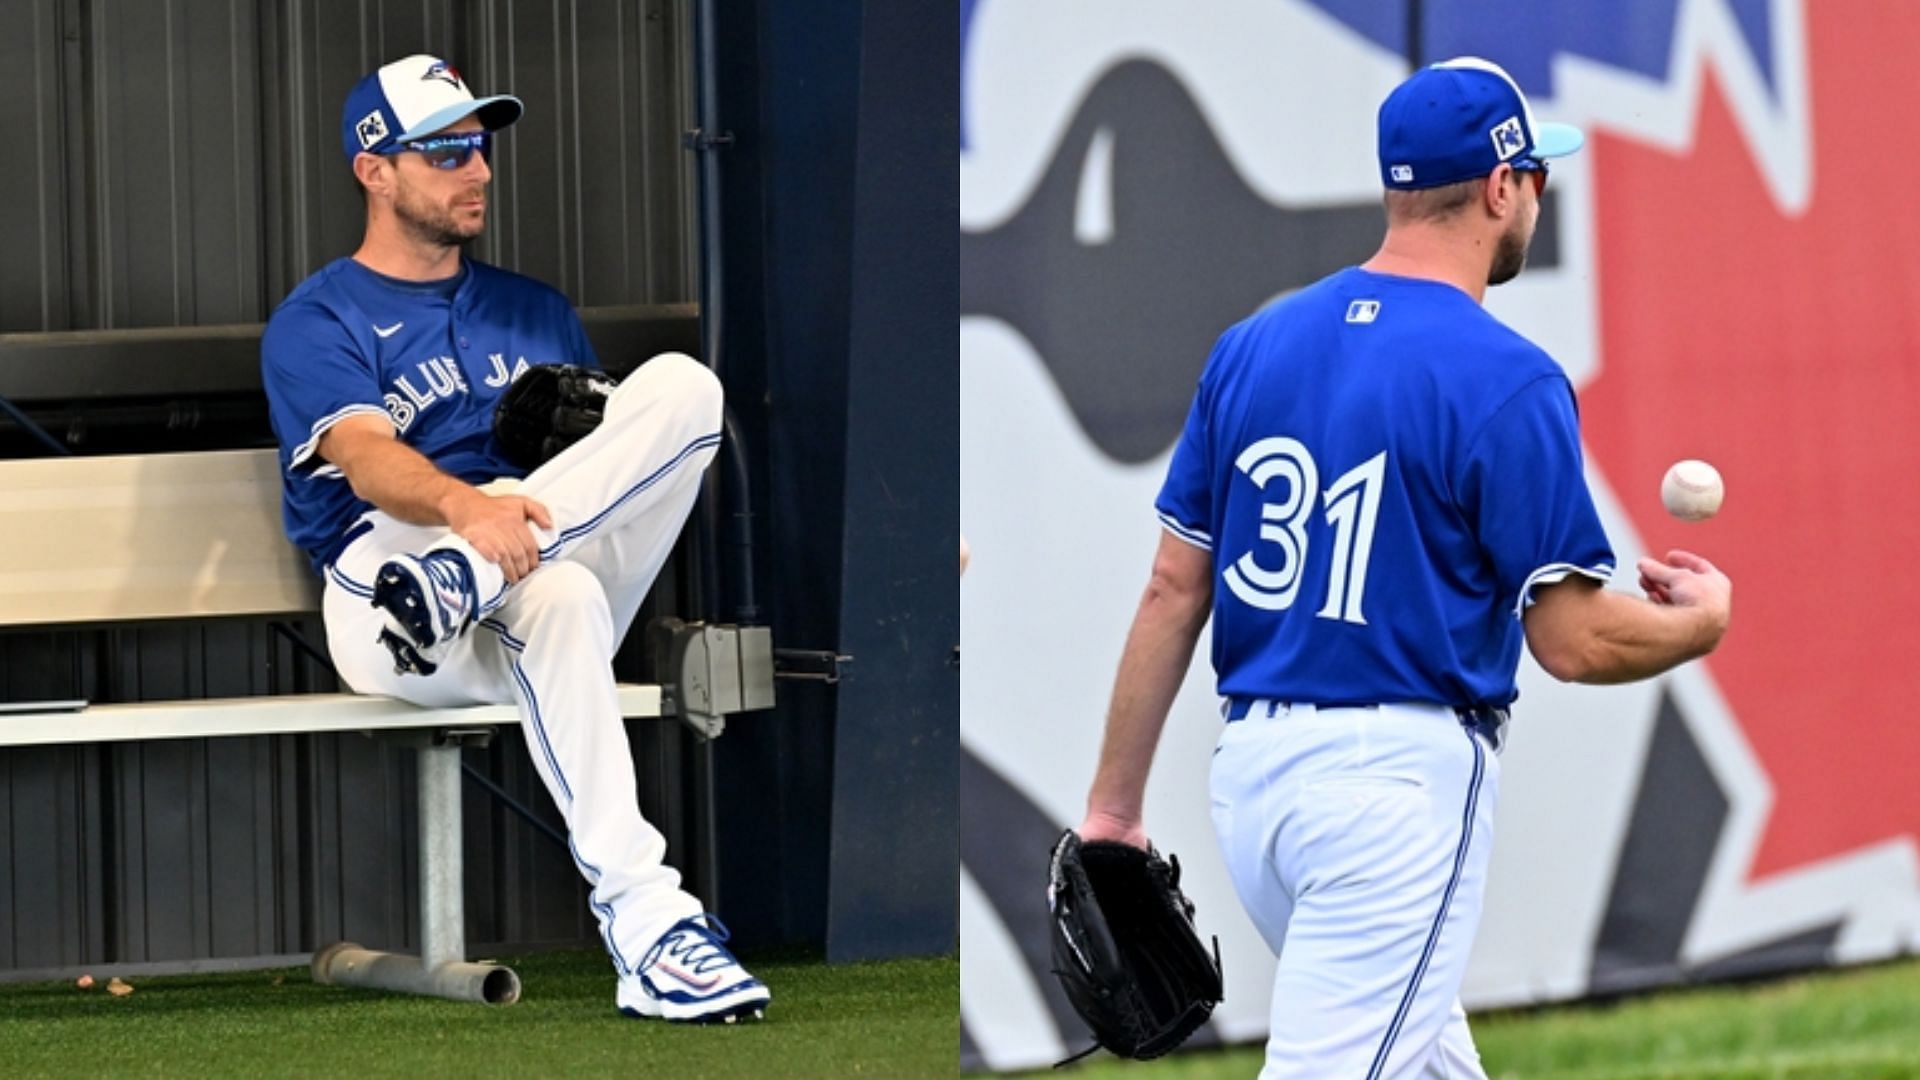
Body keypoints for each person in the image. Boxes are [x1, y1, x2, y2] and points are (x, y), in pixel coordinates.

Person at [1075, 57, 1730, 1077]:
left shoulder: (1252, 345)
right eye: (1536, 177)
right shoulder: (1505, 377)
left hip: (1253, 789)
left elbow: (1173, 588)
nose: (1538, 199)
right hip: (1392, 799)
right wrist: (1701, 622)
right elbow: (1572, 640)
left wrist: (1111, 812)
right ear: (1504, 187)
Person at [260, 54, 769, 1024]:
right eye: (446, 148)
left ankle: (471, 576)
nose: (479, 168)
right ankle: (652, 923)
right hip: (395, 592)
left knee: (685, 390)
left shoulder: (537, 310)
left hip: (521, 558)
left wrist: (578, 448)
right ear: (374, 170)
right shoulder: (319, 317)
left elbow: (616, 464)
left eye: (481, 144)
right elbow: (366, 461)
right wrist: (466, 514)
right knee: (556, 592)